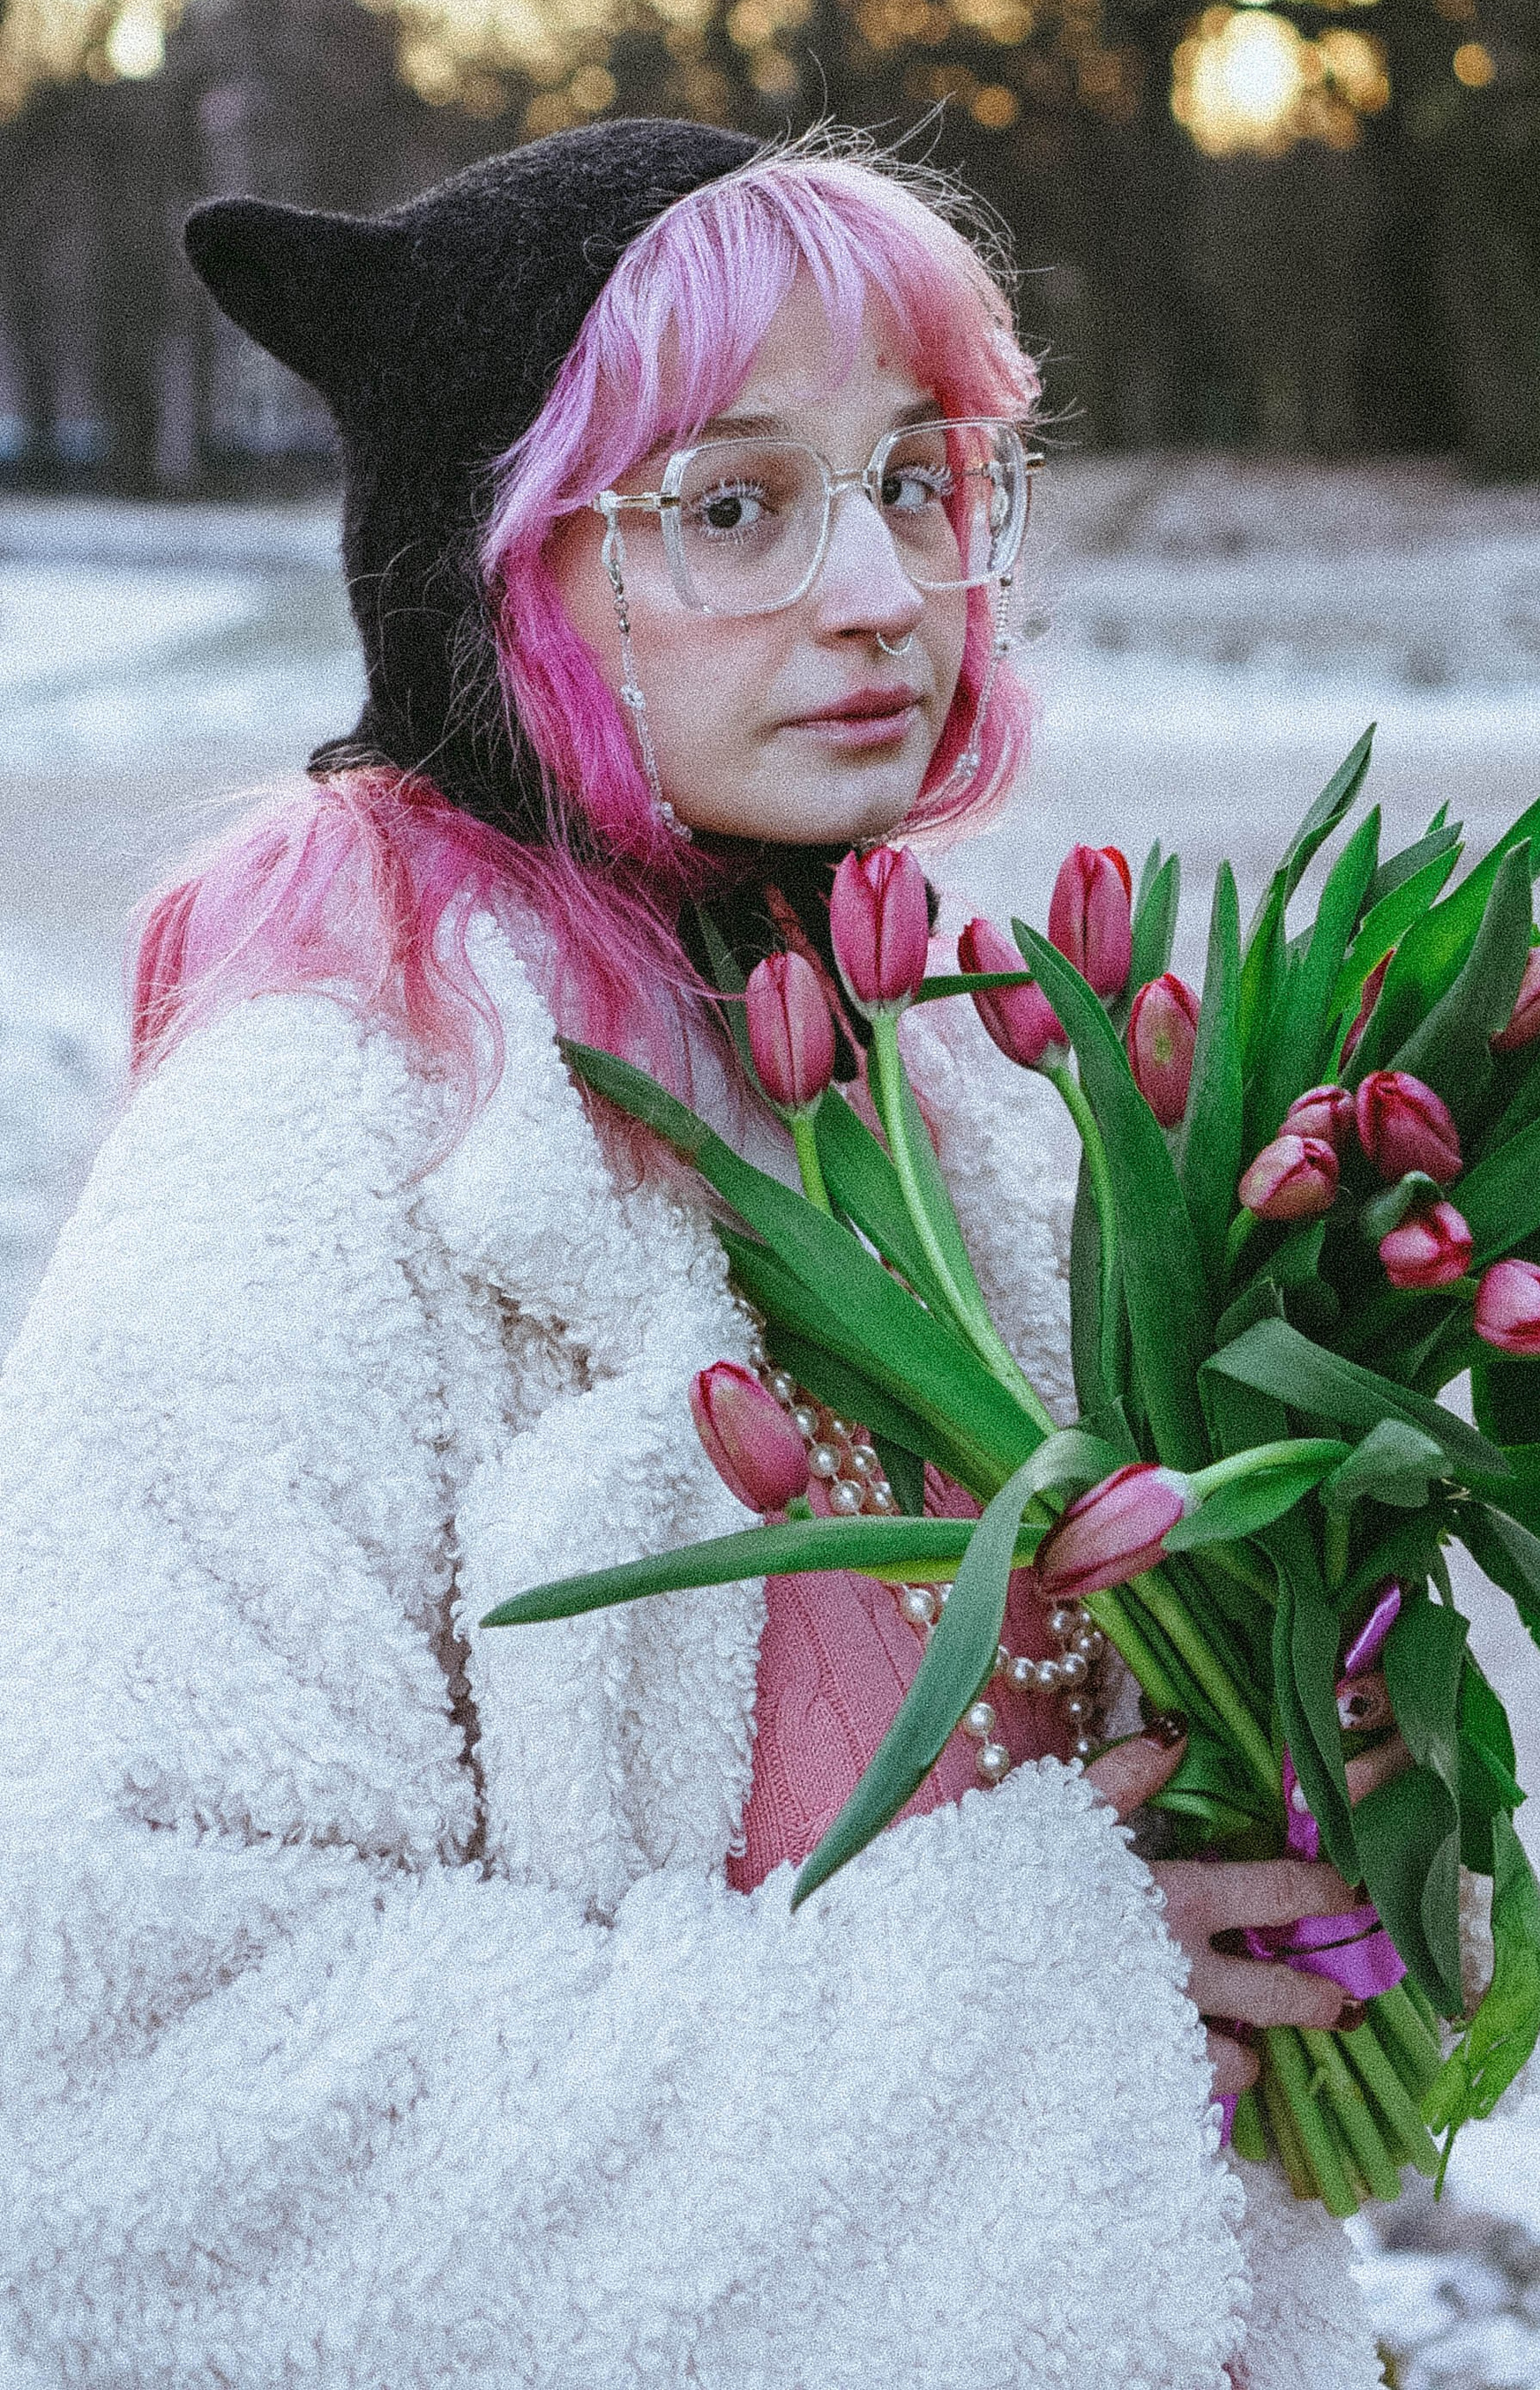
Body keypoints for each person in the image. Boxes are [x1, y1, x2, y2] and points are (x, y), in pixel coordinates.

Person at [0, 123, 1396, 2390]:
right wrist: (1046, 2028)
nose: (883, 591)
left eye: (922, 478)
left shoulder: (956, 1093)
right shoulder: (329, 1148)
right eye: (736, 506)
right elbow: (102, 2090)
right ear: (502, 576)